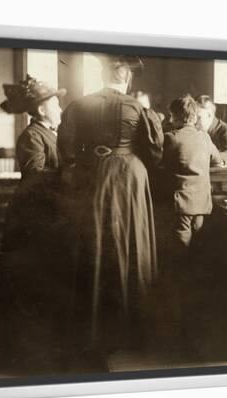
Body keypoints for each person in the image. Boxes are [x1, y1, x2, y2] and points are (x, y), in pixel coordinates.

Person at [57, 55, 164, 363]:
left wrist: (88, 160)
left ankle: (93, 330)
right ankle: (131, 330)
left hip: (93, 178)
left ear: (103, 76)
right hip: (129, 179)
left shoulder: (80, 105)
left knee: (96, 246)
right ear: (126, 79)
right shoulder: (137, 108)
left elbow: (64, 147)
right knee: (131, 245)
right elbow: (154, 151)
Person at [0, 75, 68, 371]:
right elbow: (36, 177)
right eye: (55, 103)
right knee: (31, 286)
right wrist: (70, 174)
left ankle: (45, 354)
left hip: (47, 218)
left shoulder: (52, 134)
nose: (60, 108)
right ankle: (25, 359)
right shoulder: (32, 136)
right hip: (32, 222)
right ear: (41, 111)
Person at [163, 94, 222, 252]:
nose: (169, 120)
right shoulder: (204, 137)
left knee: (181, 242)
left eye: (171, 116)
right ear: (193, 117)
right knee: (198, 238)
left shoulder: (171, 138)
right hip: (202, 201)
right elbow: (217, 161)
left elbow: (162, 165)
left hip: (182, 201)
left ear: (177, 117)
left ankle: (182, 272)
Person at [195, 95, 227, 165]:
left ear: (209, 115)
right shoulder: (195, 129)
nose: (194, 121)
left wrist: (211, 157)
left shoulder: (225, 130)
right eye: (193, 117)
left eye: (198, 117)